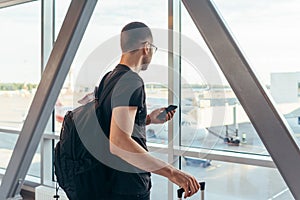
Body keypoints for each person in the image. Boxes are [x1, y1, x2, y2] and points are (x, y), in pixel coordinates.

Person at [100, 22, 200, 200]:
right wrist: (173, 173)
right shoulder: (131, 81)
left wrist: (146, 119)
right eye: (153, 48)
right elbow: (118, 142)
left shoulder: (109, 78)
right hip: (127, 185)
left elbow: (111, 124)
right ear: (146, 47)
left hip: (107, 181)